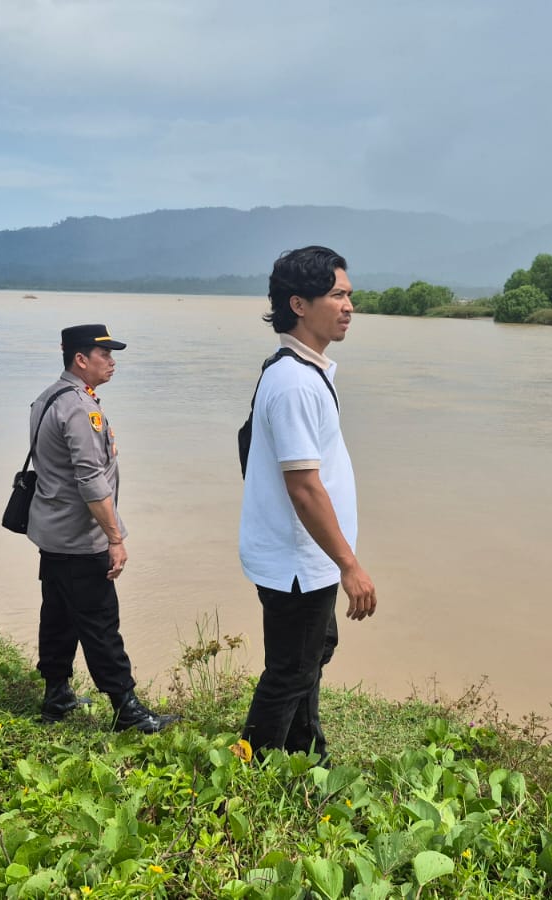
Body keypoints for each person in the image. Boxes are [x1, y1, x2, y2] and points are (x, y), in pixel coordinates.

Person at [239, 246, 377, 764]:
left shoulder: (302, 369)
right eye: (338, 295)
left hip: (305, 557)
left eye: (349, 295)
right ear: (299, 303)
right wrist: (350, 565)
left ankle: (303, 750)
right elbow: (304, 487)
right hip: (297, 559)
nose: (348, 306)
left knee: (314, 651)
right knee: (290, 670)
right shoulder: (295, 381)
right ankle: (250, 770)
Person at [26, 324, 179, 733]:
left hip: (52, 531)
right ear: (81, 359)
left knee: (58, 614)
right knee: (100, 622)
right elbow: (90, 479)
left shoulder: (48, 397)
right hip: (80, 537)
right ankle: (127, 709)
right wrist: (115, 538)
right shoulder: (79, 407)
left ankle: (56, 694)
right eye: (104, 355)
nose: (112, 362)